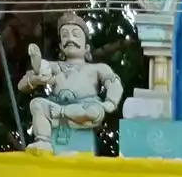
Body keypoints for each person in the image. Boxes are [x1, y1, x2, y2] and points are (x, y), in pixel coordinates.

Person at [17, 12, 123, 153]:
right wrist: (36, 78)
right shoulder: (54, 66)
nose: (70, 39)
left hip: (84, 111)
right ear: (61, 46)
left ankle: (62, 113)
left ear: (86, 47)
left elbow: (113, 82)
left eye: (76, 35)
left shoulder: (97, 68)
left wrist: (111, 102)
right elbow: (22, 84)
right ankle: (43, 141)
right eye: (65, 35)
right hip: (55, 109)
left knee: (95, 111)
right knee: (37, 104)